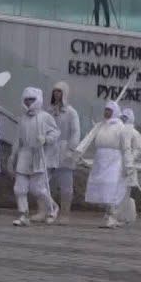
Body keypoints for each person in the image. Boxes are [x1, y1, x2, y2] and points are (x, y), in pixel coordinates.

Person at [8, 87, 60, 227]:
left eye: (32, 99)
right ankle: (23, 214)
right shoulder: (22, 119)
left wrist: (46, 139)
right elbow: (18, 139)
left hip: (38, 154)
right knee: (19, 188)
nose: (28, 102)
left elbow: (55, 133)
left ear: (37, 100)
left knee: (37, 188)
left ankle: (53, 208)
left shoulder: (45, 117)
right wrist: (13, 155)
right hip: (24, 154)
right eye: (26, 99)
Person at [76, 102, 132, 229]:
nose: (106, 112)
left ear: (115, 112)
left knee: (112, 187)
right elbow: (88, 138)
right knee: (103, 188)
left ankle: (113, 216)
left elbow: (126, 147)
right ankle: (109, 214)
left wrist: (128, 164)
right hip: (100, 160)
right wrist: (78, 152)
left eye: (109, 110)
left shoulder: (121, 127)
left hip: (114, 160)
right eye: (105, 110)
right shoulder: (100, 126)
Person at [45, 81, 82, 224]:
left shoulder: (71, 112)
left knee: (66, 184)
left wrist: (71, 149)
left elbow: (75, 132)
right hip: (50, 148)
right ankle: (47, 210)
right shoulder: (48, 111)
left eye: (59, 91)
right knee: (43, 182)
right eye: (55, 91)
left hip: (64, 149)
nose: (56, 94)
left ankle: (65, 213)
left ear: (64, 93)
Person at [117, 108, 141, 225]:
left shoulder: (135, 133)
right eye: (122, 117)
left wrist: (130, 160)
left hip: (129, 166)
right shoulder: (119, 131)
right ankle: (118, 215)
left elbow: (137, 149)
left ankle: (124, 217)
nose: (123, 120)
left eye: (125, 118)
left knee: (126, 192)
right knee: (118, 191)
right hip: (118, 164)